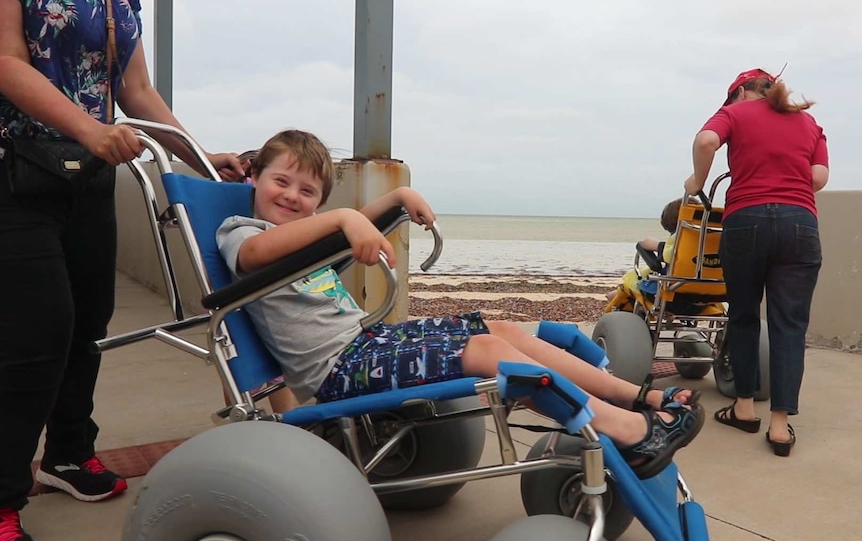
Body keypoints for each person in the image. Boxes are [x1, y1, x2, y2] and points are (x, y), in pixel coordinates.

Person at [216, 129, 705, 482]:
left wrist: (398, 195)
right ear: (253, 177)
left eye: (308, 192)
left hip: (366, 343)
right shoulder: (243, 232)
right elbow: (258, 256)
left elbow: (339, 227)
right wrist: (342, 216)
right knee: (490, 355)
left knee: (501, 331)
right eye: (281, 182)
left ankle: (638, 399)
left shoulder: (303, 238)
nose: (292, 197)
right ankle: (627, 432)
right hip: (339, 371)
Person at [0, 0, 246, 541]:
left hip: (86, 177)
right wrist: (92, 129)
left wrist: (198, 157)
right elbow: (8, 62)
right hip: (14, 170)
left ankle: (68, 454)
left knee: (89, 321)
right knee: (37, 333)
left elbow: (136, 89)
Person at [684, 68, 828, 457]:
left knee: (744, 315)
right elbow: (818, 178)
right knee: (790, 325)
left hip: (746, 220)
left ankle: (744, 408)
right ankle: (780, 427)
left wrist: (697, 181)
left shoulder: (736, 114)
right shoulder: (809, 122)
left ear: (743, 92)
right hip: (799, 223)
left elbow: (706, 141)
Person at [605, 197, 685, 310]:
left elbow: (668, 253)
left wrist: (655, 245)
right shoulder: (711, 243)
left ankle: (618, 294)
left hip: (673, 295)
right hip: (709, 295)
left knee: (639, 279)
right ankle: (617, 293)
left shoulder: (675, 247)